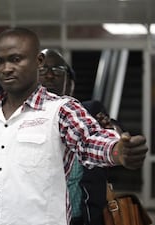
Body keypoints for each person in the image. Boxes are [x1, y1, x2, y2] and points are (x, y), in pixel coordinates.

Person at [0, 28, 148, 225]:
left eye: (16, 59)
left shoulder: (62, 110)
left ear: (38, 62)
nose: (6, 68)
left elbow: (90, 141)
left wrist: (118, 151)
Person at [38, 48, 121, 225]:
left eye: (57, 71)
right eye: (42, 70)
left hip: (83, 215)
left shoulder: (89, 112)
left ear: (70, 84)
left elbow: (114, 136)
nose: (50, 76)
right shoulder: (20, 119)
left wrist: (111, 131)